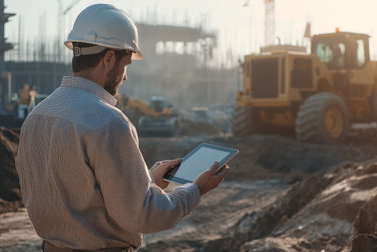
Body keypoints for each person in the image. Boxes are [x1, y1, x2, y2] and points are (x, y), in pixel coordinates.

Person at [15, 4, 229, 252]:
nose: (125, 76)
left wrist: (146, 181)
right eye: (126, 65)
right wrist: (196, 189)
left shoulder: (37, 116)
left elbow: (81, 192)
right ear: (108, 59)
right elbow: (143, 215)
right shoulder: (108, 122)